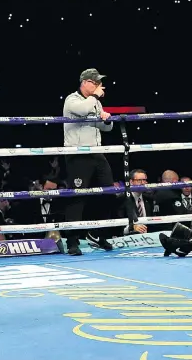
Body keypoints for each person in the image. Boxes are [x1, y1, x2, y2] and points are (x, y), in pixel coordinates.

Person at [62, 68, 114, 256]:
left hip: (97, 153)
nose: (98, 86)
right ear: (84, 82)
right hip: (78, 155)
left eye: (99, 82)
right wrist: (96, 97)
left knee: (108, 192)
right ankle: (72, 242)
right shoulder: (72, 100)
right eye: (95, 82)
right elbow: (83, 110)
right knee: (77, 197)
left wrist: (106, 119)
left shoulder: (95, 103)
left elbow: (104, 128)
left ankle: (99, 235)